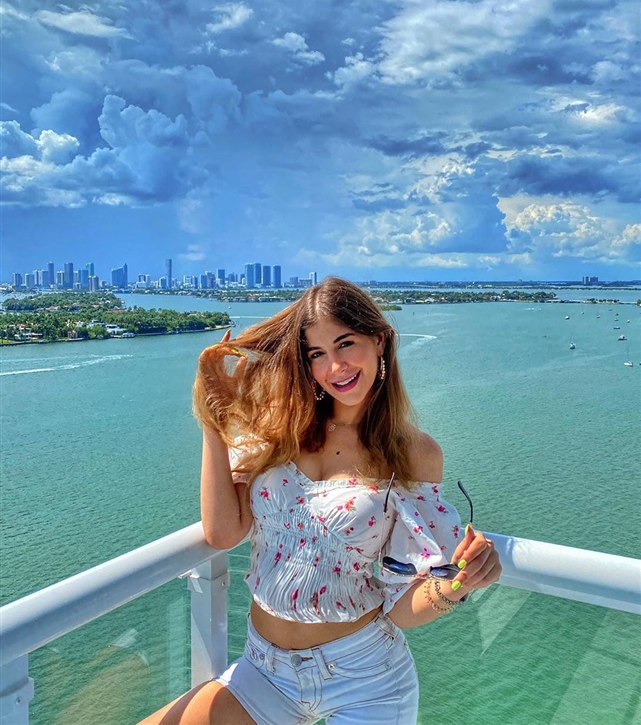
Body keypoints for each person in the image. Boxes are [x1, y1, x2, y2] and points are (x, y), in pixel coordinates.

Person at [139, 277, 501, 725]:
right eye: (317, 354)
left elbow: (402, 609)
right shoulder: (277, 429)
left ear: (379, 340)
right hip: (262, 671)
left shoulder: (412, 453)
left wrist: (458, 584)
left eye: (345, 344)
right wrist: (212, 417)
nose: (335, 366)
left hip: (366, 678)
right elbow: (223, 532)